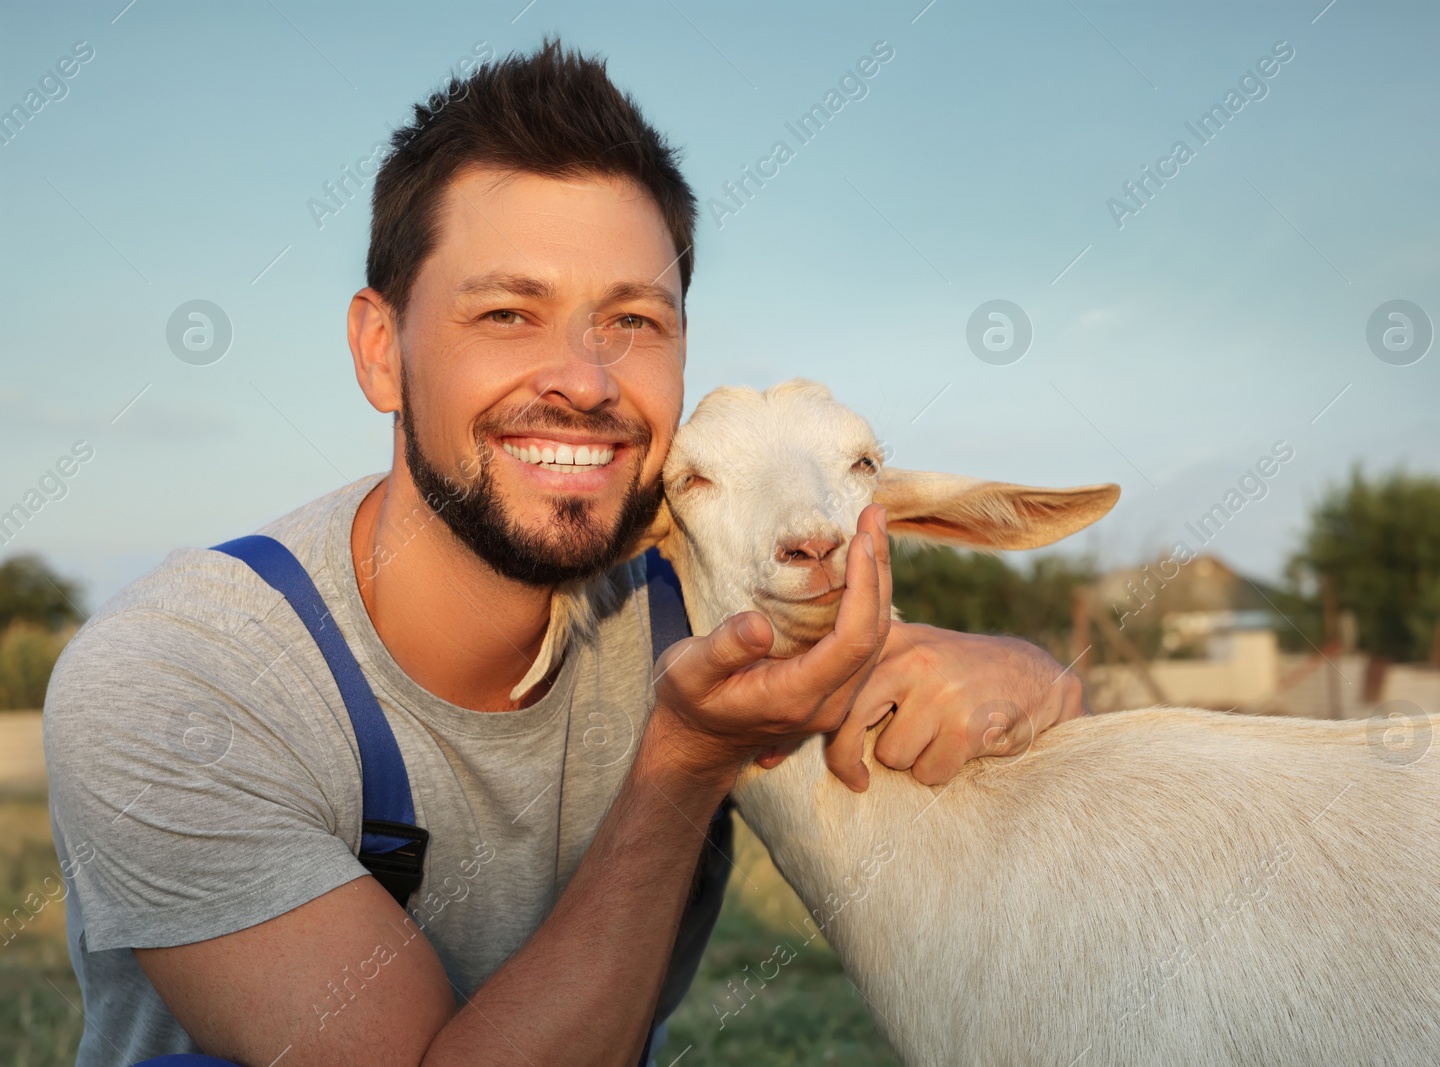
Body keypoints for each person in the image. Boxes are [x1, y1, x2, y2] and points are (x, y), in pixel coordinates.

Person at [43, 39, 1086, 1067]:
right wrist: (681, 762)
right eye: (507, 311)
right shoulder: (177, 679)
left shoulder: (698, 607)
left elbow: (913, 668)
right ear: (380, 349)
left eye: (633, 318)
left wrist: (1022, 671)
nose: (584, 379)